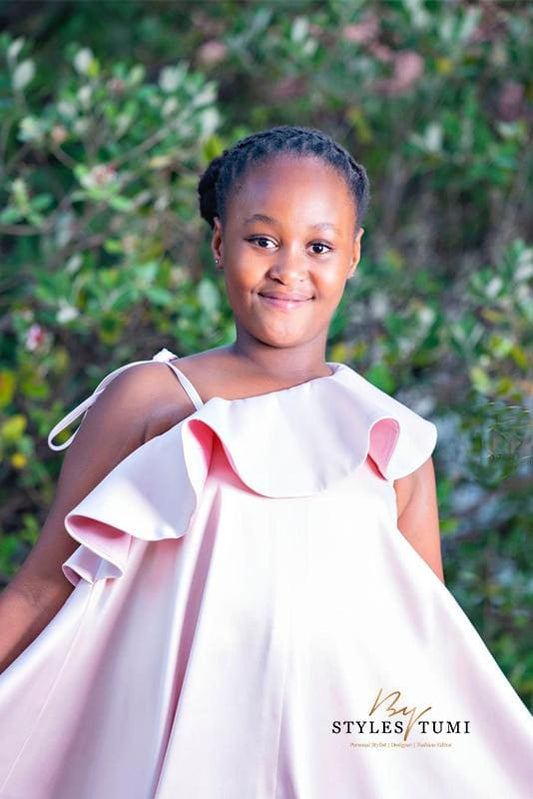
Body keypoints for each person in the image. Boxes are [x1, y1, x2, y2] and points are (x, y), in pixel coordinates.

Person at [0, 124, 531, 798]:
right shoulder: (148, 400)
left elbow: (419, 648)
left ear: (353, 255)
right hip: (170, 761)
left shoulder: (391, 441)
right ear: (220, 242)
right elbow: (41, 588)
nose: (289, 269)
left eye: (318, 246)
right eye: (262, 240)